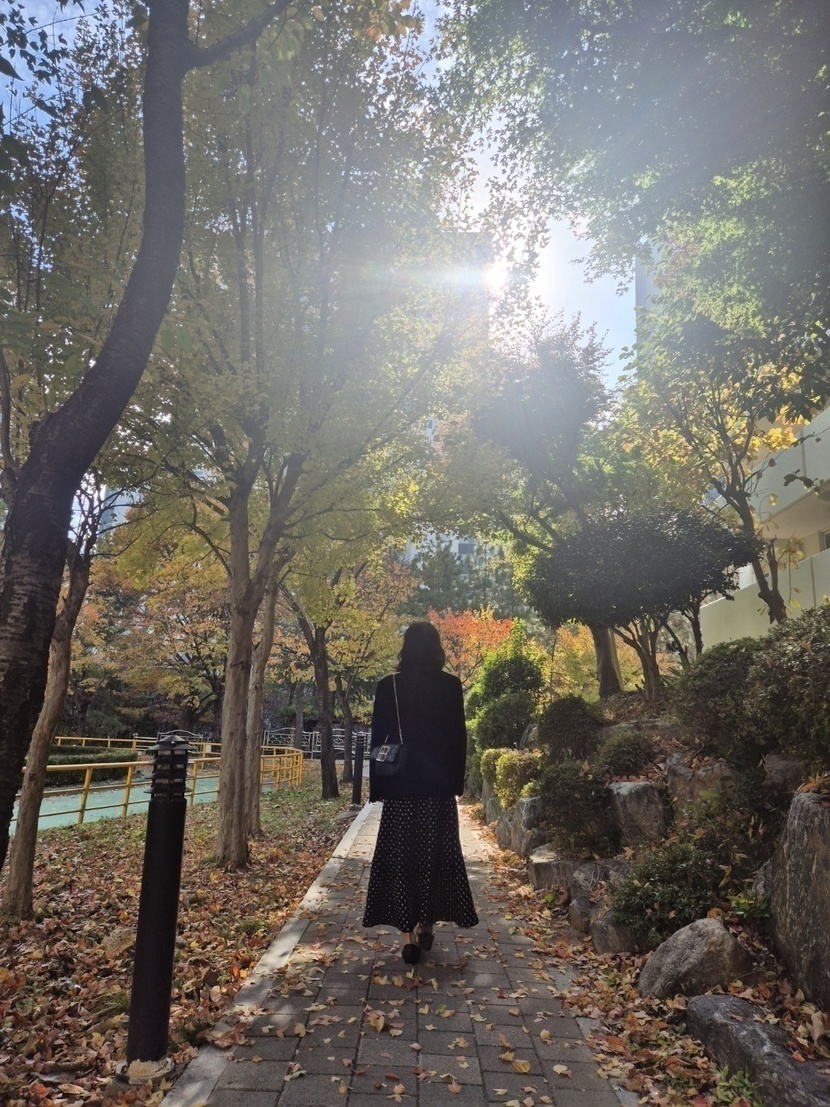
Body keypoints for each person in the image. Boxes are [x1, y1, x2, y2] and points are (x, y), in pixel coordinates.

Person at [362, 621, 478, 964]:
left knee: (401, 859)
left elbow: (378, 741)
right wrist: (456, 783)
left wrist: (377, 788)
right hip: (437, 789)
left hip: (401, 788)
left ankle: (407, 936)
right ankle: (427, 924)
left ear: (406, 648)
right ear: (437, 649)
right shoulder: (451, 686)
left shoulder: (389, 686)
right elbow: (459, 739)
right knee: (435, 858)